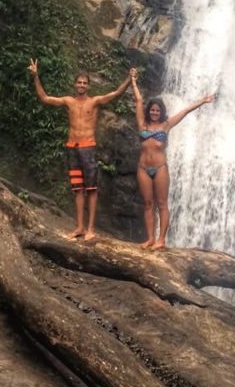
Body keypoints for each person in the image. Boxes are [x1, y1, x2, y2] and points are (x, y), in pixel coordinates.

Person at [28, 59, 135, 241]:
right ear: (75, 84)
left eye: (85, 83)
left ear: (88, 86)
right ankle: (79, 227)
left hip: (88, 147)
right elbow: (45, 98)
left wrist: (129, 78)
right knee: (78, 189)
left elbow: (116, 93)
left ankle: (90, 229)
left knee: (91, 189)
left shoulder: (94, 102)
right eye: (79, 82)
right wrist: (35, 76)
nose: (82, 85)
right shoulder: (68, 101)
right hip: (72, 148)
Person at [131, 69, 215, 250]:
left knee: (162, 203)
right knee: (148, 204)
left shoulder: (166, 125)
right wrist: (133, 81)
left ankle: (161, 239)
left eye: (157, 110)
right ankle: (150, 239)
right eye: (152, 110)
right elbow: (138, 100)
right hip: (143, 168)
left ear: (161, 112)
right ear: (149, 111)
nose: (154, 112)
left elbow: (185, 111)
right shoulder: (142, 124)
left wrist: (202, 101)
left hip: (160, 168)